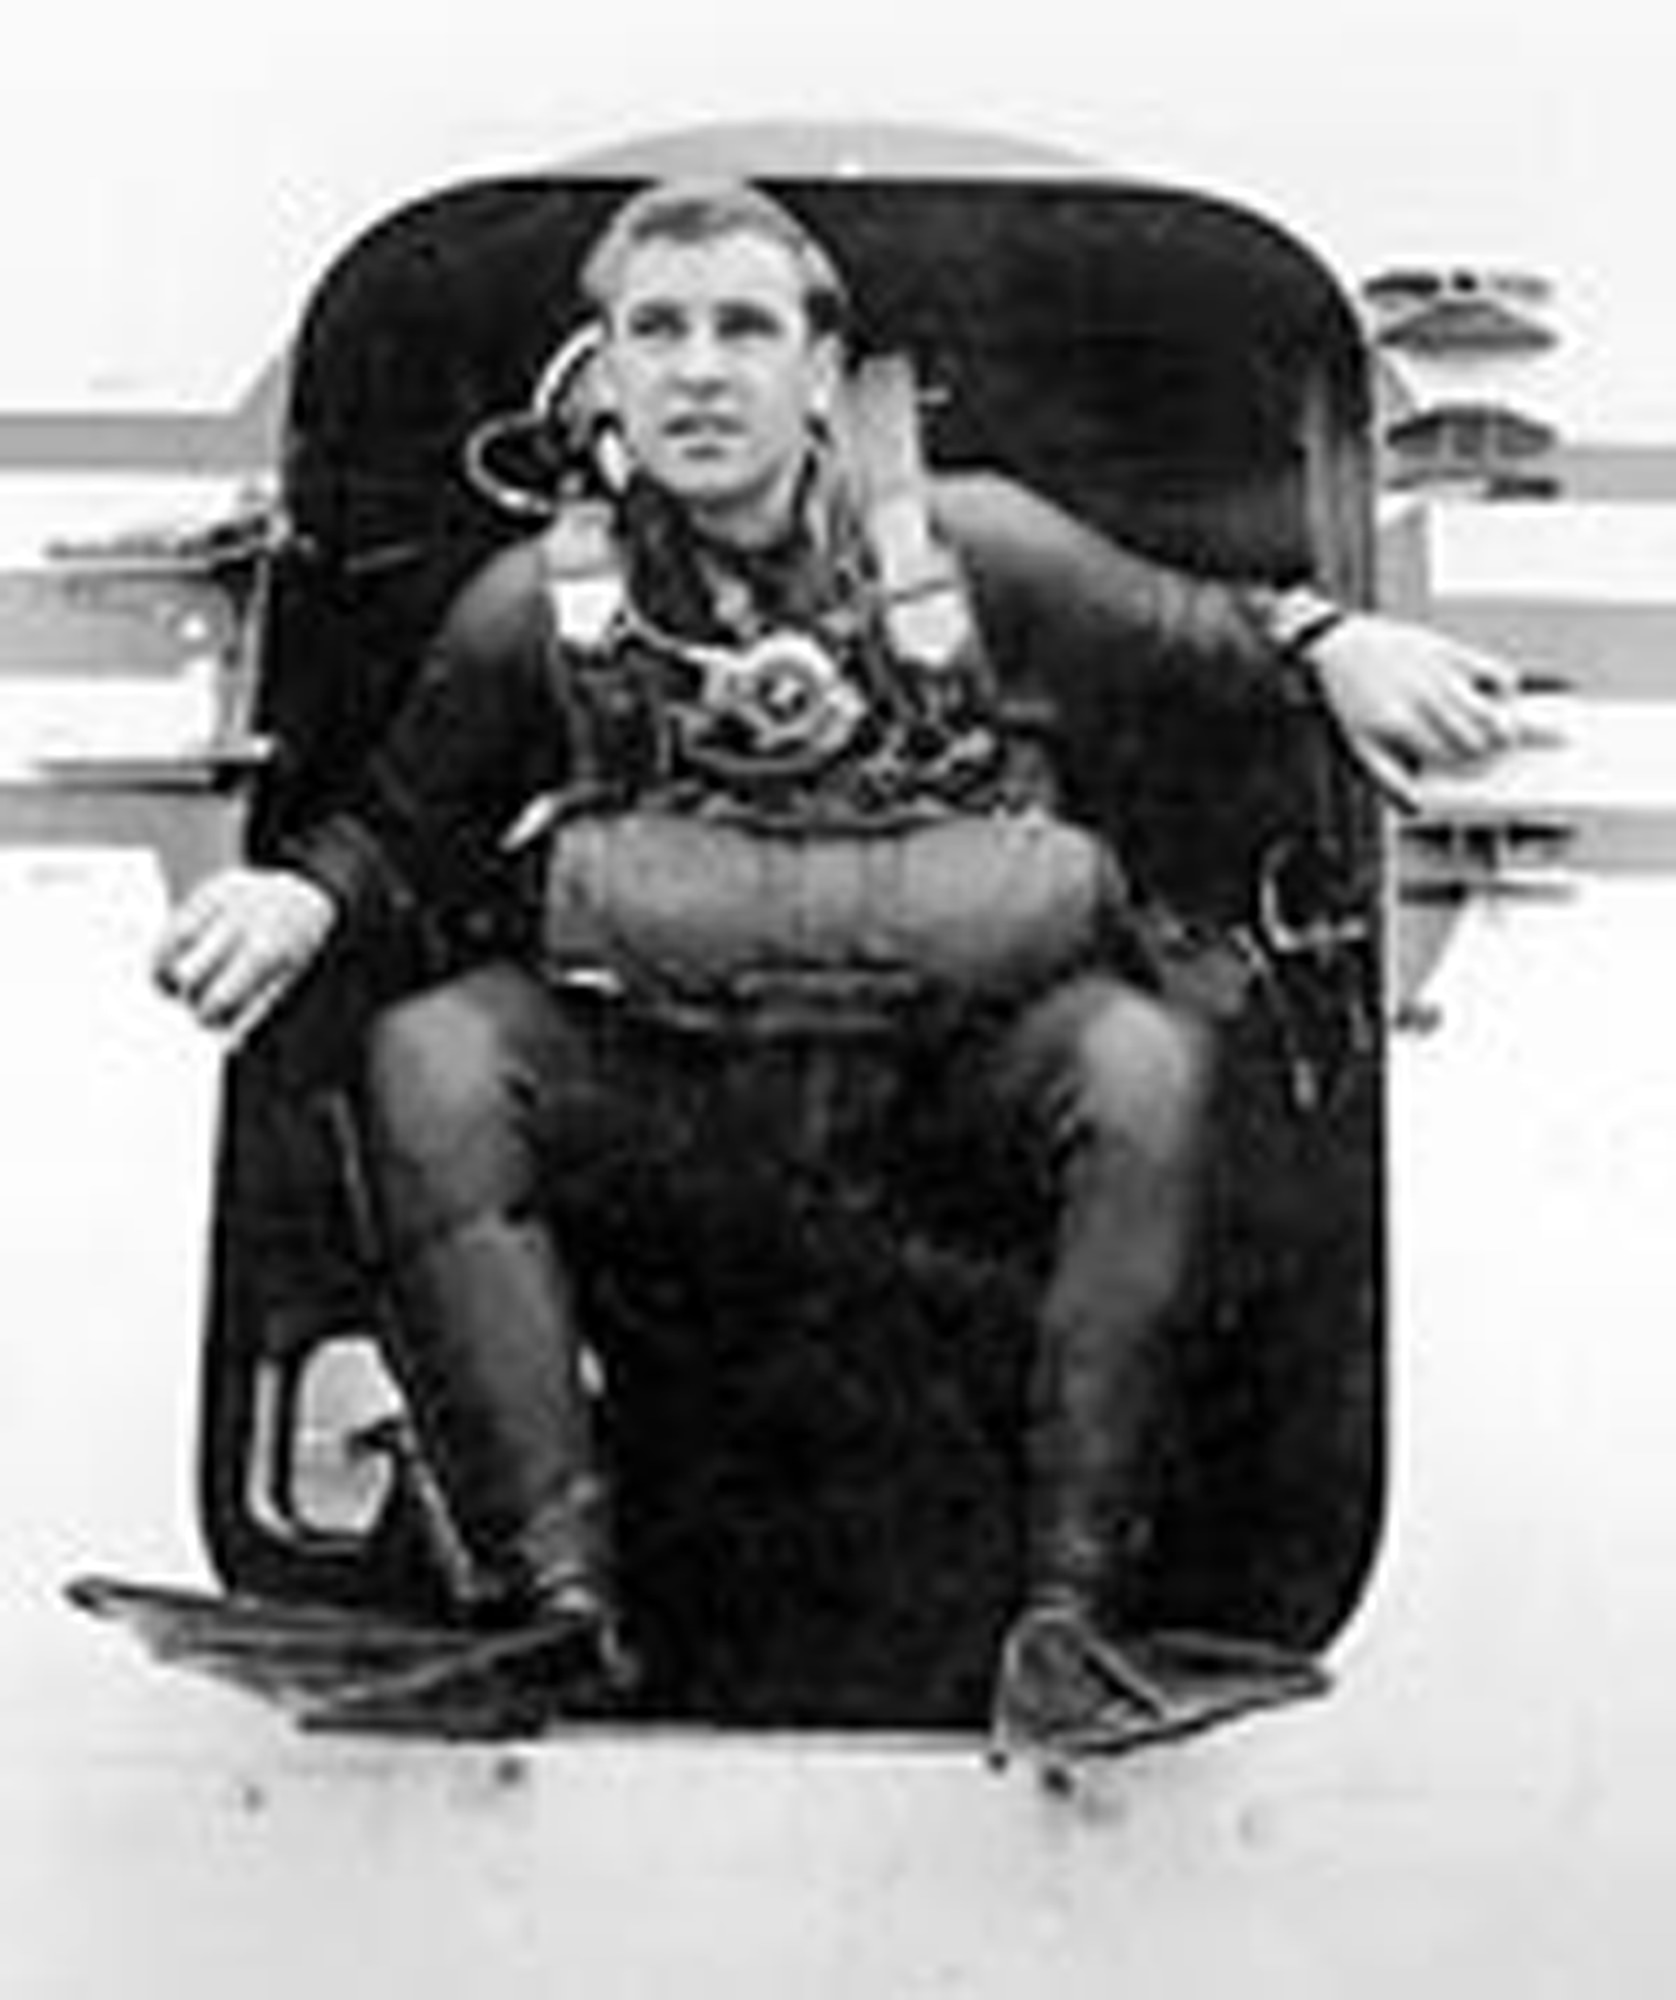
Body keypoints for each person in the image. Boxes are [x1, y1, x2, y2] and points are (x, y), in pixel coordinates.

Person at [154, 178, 1528, 1754]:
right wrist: (303, 899)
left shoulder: (972, 546)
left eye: (744, 329)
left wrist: (1329, 643)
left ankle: (1072, 1624)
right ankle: (550, 1610)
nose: (699, 371)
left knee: (1140, 1060)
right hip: (677, 1106)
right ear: (608, 371)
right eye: (657, 331)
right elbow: (407, 827)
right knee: (434, 1057)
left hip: (943, 1109)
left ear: (820, 368)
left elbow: (1184, 632)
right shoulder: (535, 604)